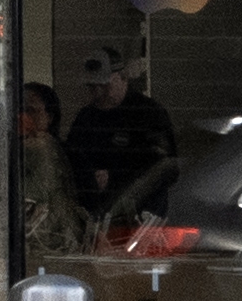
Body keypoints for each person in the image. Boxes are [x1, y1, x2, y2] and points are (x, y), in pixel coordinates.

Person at [61, 46, 179, 228]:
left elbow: (164, 167)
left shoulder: (146, 113)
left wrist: (114, 176)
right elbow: (71, 157)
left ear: (122, 78)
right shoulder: (86, 117)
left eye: (105, 86)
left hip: (142, 213)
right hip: (99, 213)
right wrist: (89, 176)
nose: (99, 93)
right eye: (93, 87)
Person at [16, 82, 91, 264]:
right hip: (22, 250)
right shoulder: (6, 157)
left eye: (31, 110)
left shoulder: (70, 156)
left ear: (49, 116)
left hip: (60, 248)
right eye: (18, 110)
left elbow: (89, 204)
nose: (22, 117)